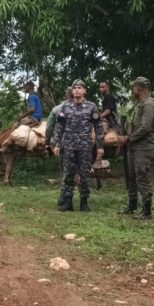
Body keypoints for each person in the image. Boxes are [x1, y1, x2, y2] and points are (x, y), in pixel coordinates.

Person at [52, 80, 105, 212]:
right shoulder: (65, 107)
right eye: (74, 88)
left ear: (84, 91)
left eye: (79, 88)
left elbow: (98, 127)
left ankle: (84, 202)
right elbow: (59, 127)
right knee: (68, 174)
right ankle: (67, 202)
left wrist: (100, 145)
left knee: (85, 174)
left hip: (85, 147)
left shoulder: (91, 107)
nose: (76, 90)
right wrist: (56, 144)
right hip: (69, 146)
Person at [123, 77, 154, 219]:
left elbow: (145, 127)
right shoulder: (140, 104)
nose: (133, 90)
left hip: (143, 147)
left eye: (134, 87)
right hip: (134, 146)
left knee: (142, 175)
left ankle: (147, 211)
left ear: (140, 88)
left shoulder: (149, 104)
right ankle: (132, 205)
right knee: (132, 175)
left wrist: (129, 138)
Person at [46, 87, 73, 208]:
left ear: (65, 96)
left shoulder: (56, 109)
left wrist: (48, 141)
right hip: (81, 145)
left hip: (63, 144)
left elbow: (49, 128)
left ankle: (64, 198)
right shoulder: (84, 107)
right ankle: (83, 201)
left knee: (65, 171)